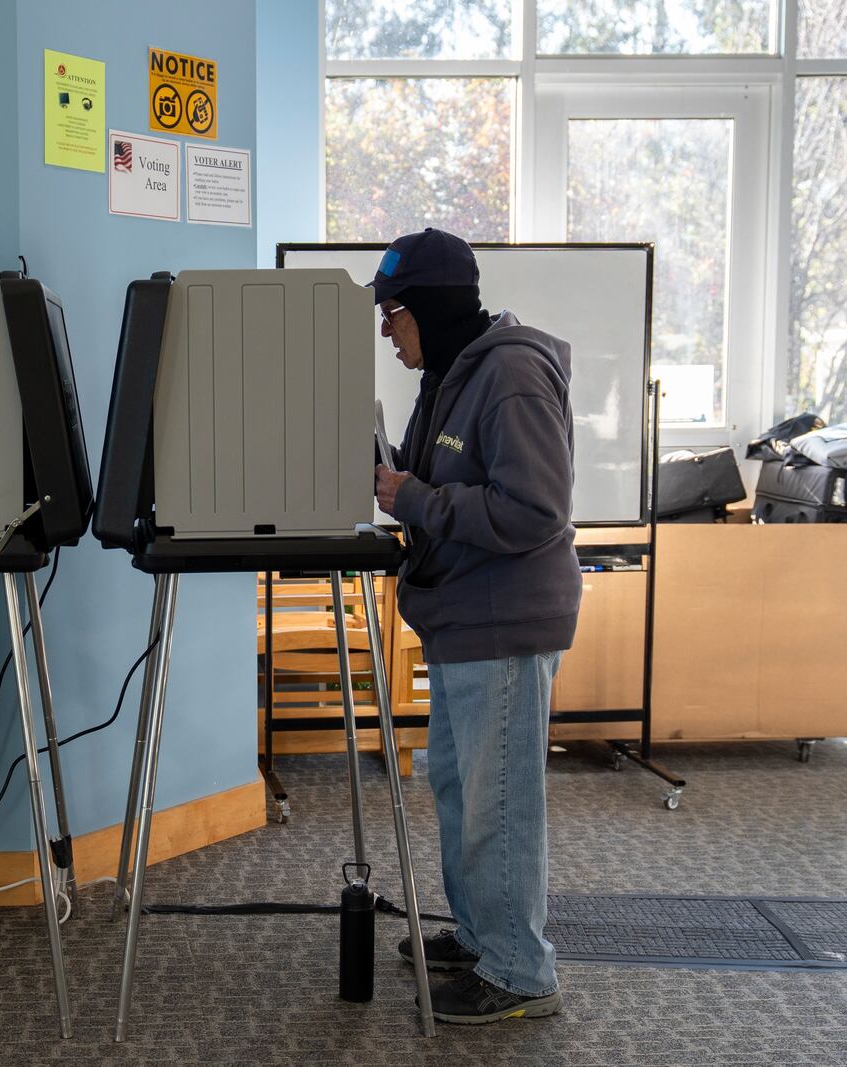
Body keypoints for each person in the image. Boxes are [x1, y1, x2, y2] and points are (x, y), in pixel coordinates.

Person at [370, 228, 581, 1025]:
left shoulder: (511, 375)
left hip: (504, 618)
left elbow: (533, 510)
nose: (387, 331)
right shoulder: (452, 376)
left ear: (428, 307)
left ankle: (522, 972)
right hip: (464, 616)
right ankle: (481, 934)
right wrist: (403, 481)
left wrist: (414, 499)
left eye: (393, 314)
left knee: (499, 802)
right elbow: (451, 479)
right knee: (461, 789)